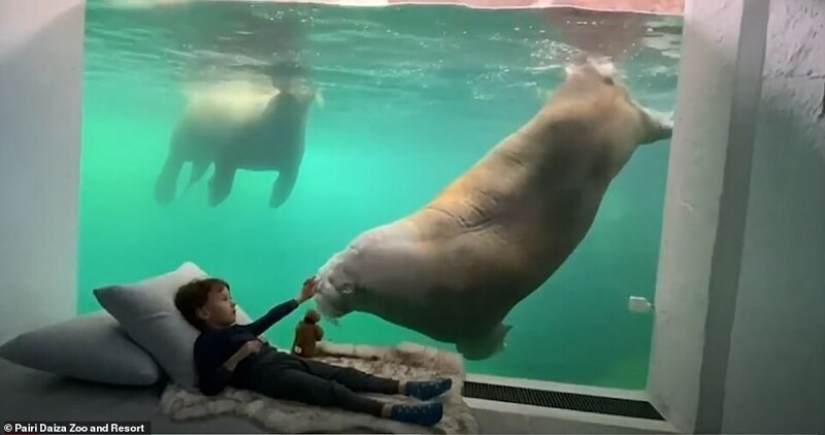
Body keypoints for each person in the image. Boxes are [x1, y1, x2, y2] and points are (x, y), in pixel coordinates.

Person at [174, 276, 450, 427]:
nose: (233, 303)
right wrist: (239, 356)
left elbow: (267, 319)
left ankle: (408, 387)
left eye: (231, 297)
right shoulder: (206, 343)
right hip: (269, 378)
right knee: (329, 390)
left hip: (281, 360)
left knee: (344, 374)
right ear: (203, 312)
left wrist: (300, 298)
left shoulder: (238, 329)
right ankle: (394, 412)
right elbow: (209, 386)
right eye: (225, 299)